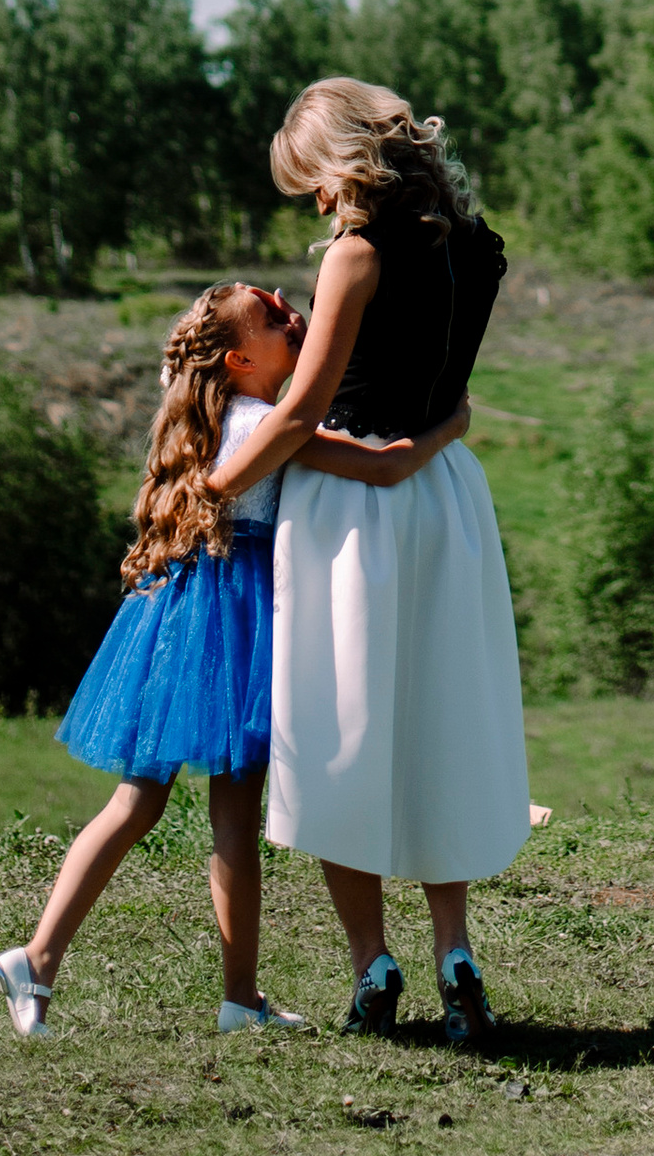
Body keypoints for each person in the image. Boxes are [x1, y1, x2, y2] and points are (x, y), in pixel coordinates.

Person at [0, 278, 463, 1039]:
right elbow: (382, 467)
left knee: (139, 801)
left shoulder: (232, 417)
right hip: (233, 616)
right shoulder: (265, 424)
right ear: (242, 358)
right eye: (271, 314)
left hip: (184, 612)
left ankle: (46, 961)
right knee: (230, 819)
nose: (286, 305)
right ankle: (227, 995)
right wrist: (449, 425)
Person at [210, 80, 526, 1051]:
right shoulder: (473, 247)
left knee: (340, 729)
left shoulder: (355, 256)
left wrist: (213, 487)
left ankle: (370, 962)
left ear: (340, 163)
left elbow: (304, 413)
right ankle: (455, 949)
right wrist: (432, 443)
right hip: (445, 493)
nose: (312, 202)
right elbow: (454, 399)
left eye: (308, 178)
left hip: (352, 509)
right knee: (436, 722)